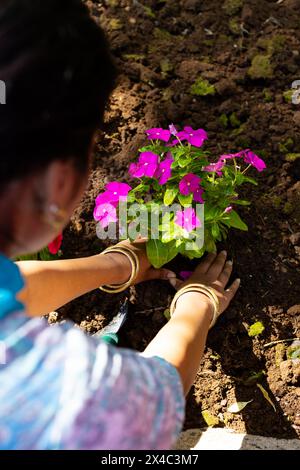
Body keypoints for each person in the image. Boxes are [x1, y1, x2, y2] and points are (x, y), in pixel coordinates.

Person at [0, 0, 240, 450]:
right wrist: (196, 306)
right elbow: (156, 391)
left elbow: (11, 287)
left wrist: (116, 264)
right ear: (59, 179)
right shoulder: (71, 401)